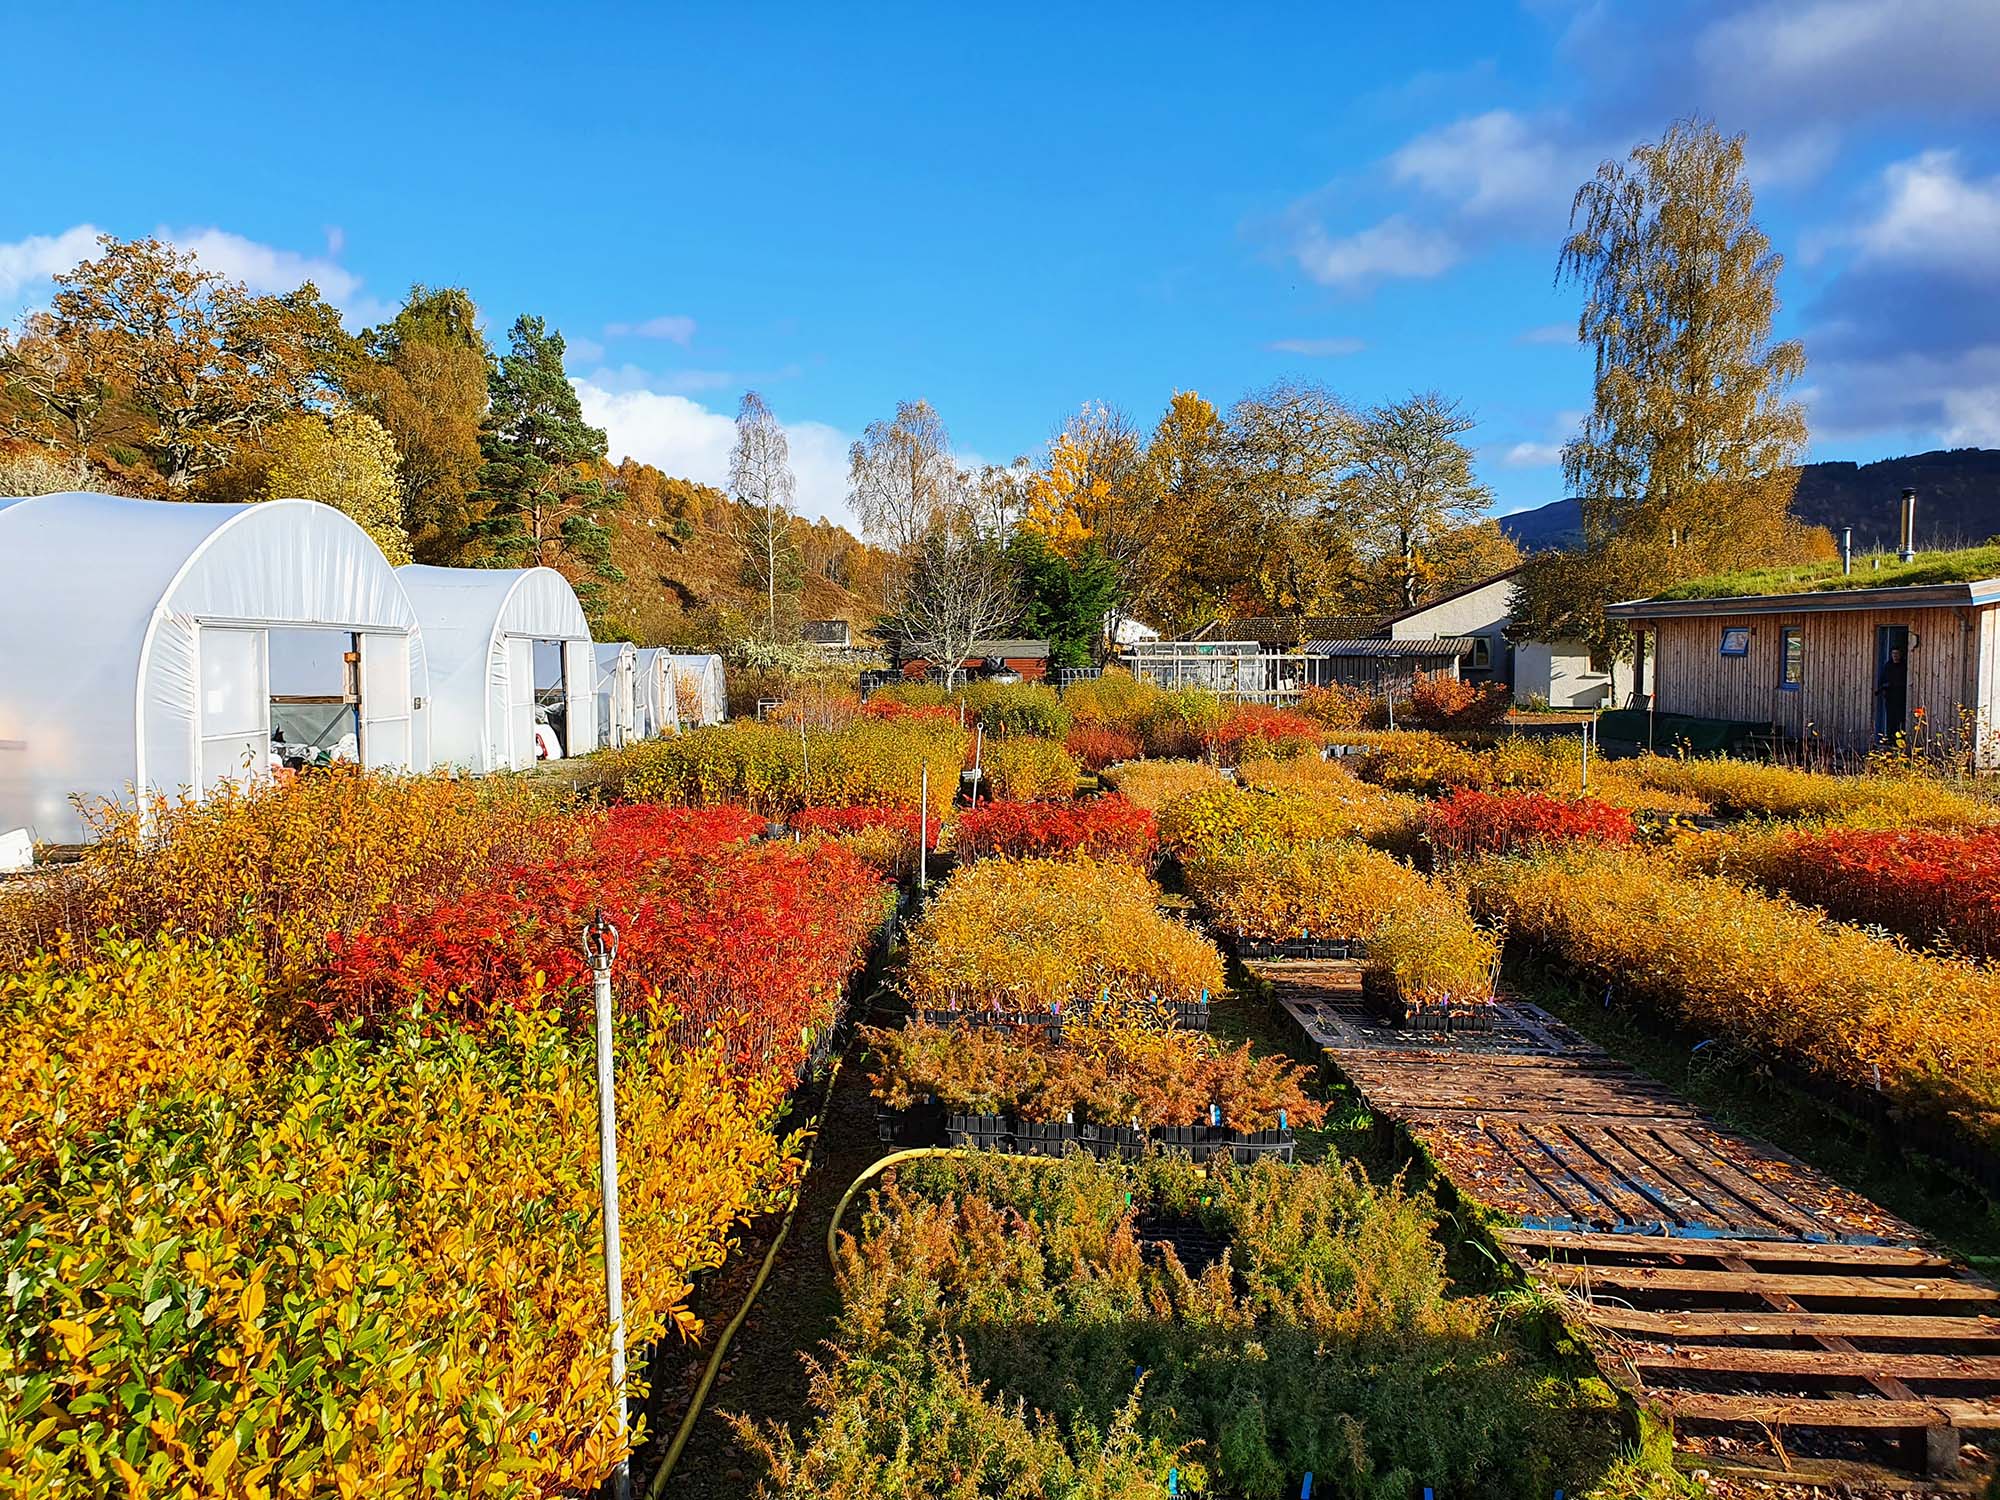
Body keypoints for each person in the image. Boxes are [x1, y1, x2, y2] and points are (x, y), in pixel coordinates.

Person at [1875, 644, 1908, 742]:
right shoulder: (1888, 666)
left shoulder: (1904, 666)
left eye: (1897, 653)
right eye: (1893, 653)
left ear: (1901, 654)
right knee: (1890, 720)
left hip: (1901, 697)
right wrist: (1882, 688)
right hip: (1890, 697)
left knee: (1901, 719)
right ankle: (1890, 739)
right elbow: (1882, 680)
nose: (1895, 655)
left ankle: (1900, 740)